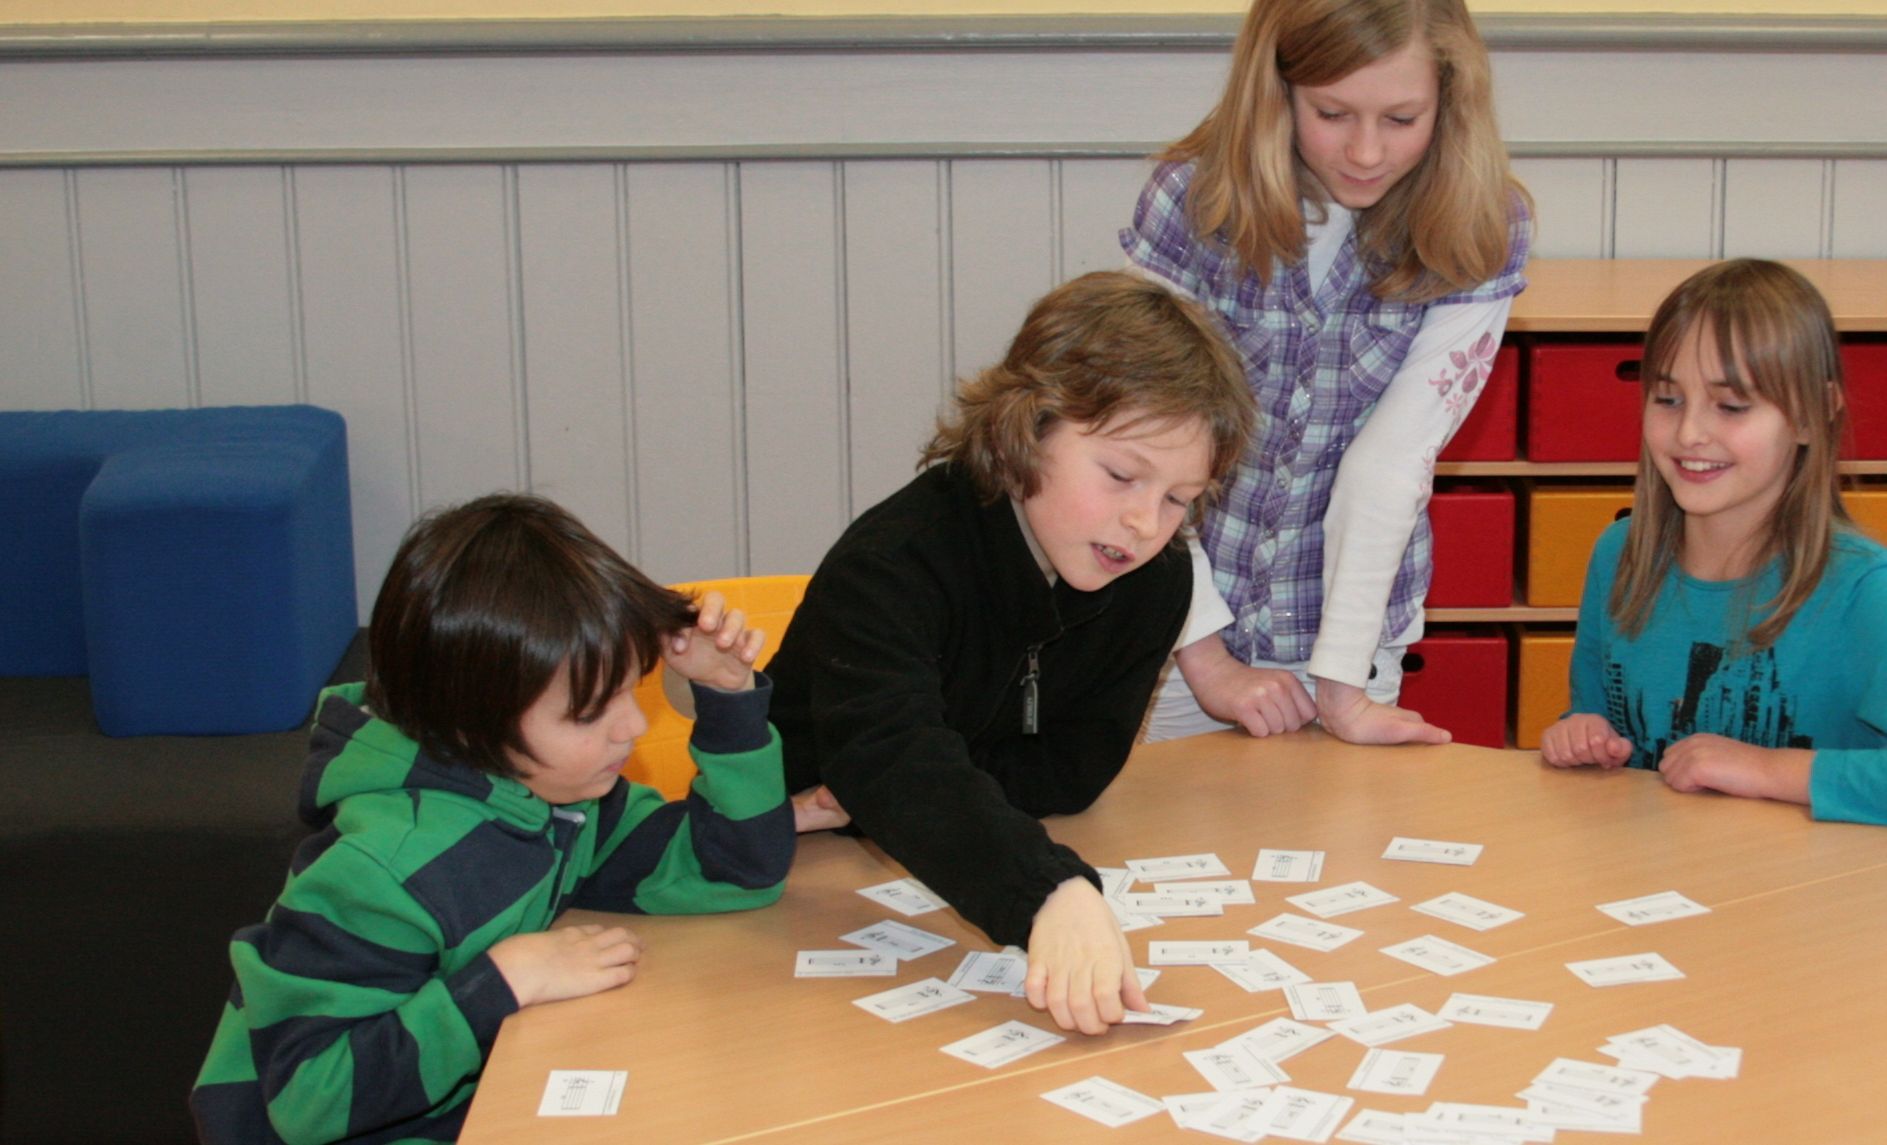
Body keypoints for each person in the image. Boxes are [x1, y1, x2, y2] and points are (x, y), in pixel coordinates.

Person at [191, 494, 795, 1143]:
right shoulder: (382, 869)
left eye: (630, 688)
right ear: (472, 717)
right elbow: (310, 1100)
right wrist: (506, 980)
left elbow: (733, 871)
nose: (633, 726)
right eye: (590, 711)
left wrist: (728, 700)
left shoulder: (559, 797)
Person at [768, 271, 1256, 1036]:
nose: (1144, 522)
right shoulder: (893, 562)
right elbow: (887, 755)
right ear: (1024, 427)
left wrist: (917, 788)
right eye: (1121, 475)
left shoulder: (1155, 581)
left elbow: (1073, 769)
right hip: (782, 879)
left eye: (1177, 498)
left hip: (918, 858)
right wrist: (1046, 891)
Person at [1123, 0, 1532, 745]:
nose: (1366, 152)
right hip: (1174, 622)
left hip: (1349, 629)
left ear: (1448, 99)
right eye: (1332, 114)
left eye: (1401, 119)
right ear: (1276, 89)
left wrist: (1342, 685)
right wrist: (1209, 662)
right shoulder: (1190, 202)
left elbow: (1390, 464)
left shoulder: (1481, 227)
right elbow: (1141, 455)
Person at [1541, 259, 1887, 825]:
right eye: (1667, 398)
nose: (1689, 433)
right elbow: (1594, 714)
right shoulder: (1619, 554)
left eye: (1731, 406)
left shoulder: (1867, 591)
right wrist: (1582, 733)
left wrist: (1769, 770)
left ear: (1813, 415)